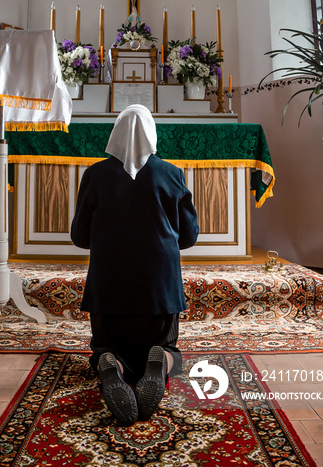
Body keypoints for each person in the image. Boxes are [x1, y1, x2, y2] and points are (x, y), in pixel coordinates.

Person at [70, 105, 199, 425]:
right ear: (151, 135)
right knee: (170, 348)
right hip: (160, 292)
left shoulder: (95, 174)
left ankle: (110, 364)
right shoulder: (172, 174)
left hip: (107, 294)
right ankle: (160, 362)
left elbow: (79, 237)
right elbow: (189, 237)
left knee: (103, 347)